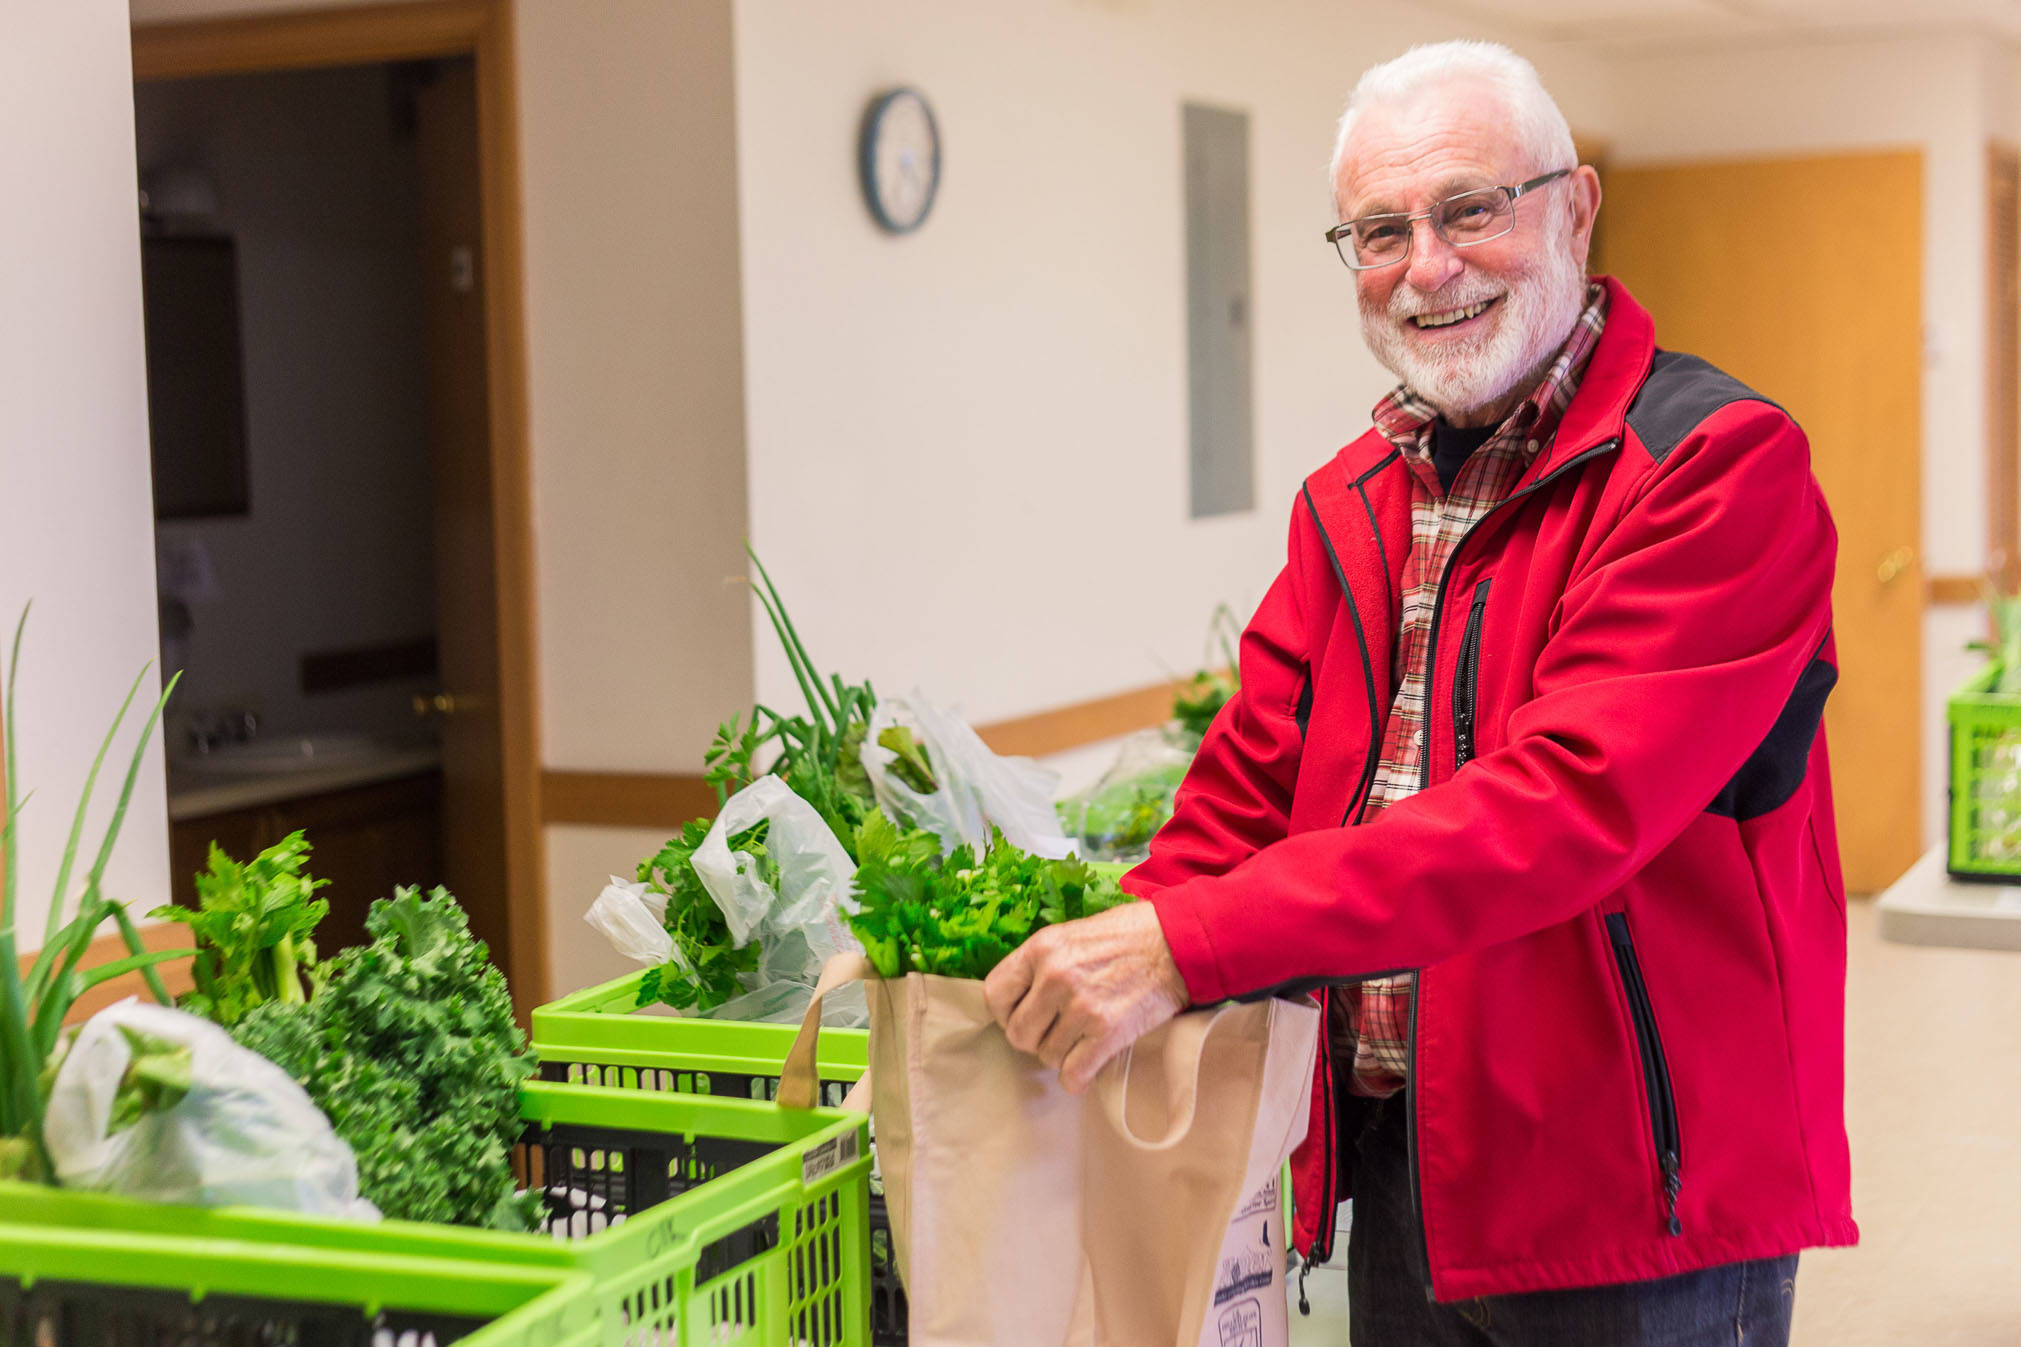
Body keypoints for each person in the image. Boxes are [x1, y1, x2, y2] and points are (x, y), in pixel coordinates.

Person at [983, 38, 1853, 1346]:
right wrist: (1103, 959)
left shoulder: (1715, 469)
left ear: (1571, 205)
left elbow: (1558, 810)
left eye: (1467, 209)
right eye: (1378, 231)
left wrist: (1188, 949)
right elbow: (1245, 790)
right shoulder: (1351, 498)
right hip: (1404, 1162)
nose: (1424, 266)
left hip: (1630, 1191)